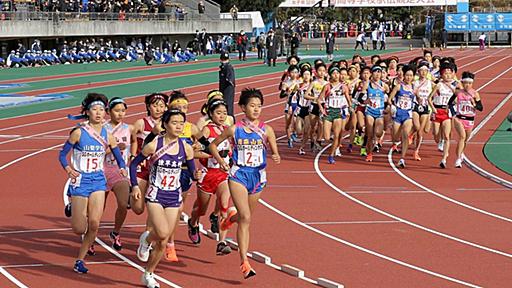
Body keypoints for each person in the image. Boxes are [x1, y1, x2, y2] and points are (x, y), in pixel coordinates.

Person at [209, 88, 280, 279]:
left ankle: (227, 222)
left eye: (259, 106)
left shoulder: (267, 129)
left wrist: (275, 154)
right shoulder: (235, 129)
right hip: (239, 175)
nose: (256, 109)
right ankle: (244, 262)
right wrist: (222, 161)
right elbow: (212, 145)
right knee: (246, 218)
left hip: (258, 177)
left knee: (243, 217)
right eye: (252, 106)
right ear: (243, 107)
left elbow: (273, 145)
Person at [131, 109, 200, 288]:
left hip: (174, 195)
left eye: (181, 123)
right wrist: (135, 186)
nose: (178, 126)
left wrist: (197, 174)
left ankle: (149, 273)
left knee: (164, 239)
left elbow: (192, 172)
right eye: (174, 122)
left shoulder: (186, 147)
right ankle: (146, 240)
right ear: (165, 125)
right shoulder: (154, 145)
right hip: (155, 194)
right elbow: (133, 164)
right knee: (161, 233)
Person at [59, 93, 127, 274]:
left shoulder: (108, 135)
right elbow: (62, 154)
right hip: (81, 180)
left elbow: (119, 158)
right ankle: (72, 203)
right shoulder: (79, 132)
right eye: (94, 110)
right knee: (79, 228)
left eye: (101, 110)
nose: (98, 113)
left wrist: (122, 168)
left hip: (98, 180)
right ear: (87, 112)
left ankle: (79, 260)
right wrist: (68, 169)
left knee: (95, 224)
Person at [188, 99, 233, 255]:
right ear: (211, 114)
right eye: (218, 113)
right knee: (201, 209)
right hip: (207, 175)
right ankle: (193, 223)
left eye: (224, 113)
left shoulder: (228, 130)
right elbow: (192, 153)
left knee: (224, 207)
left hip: (223, 175)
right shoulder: (207, 130)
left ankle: (221, 242)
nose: (221, 116)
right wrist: (212, 154)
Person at [104, 97, 137, 251]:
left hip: (120, 171)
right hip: (103, 170)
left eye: (123, 111)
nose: (120, 114)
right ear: (109, 112)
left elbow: (135, 140)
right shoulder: (102, 129)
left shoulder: (129, 128)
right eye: (117, 111)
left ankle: (115, 232)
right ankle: (90, 236)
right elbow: (97, 152)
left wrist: (133, 155)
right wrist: (114, 148)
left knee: (123, 205)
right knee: (97, 208)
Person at [428, 62, 462, 168]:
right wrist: (433, 109)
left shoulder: (456, 85)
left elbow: (457, 99)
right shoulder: (438, 85)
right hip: (437, 110)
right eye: (445, 73)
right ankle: (440, 141)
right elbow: (429, 98)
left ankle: (444, 159)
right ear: (441, 74)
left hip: (447, 112)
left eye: (449, 73)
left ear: (453, 74)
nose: (447, 75)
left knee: (447, 136)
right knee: (436, 134)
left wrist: (452, 88)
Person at [318, 65, 352, 164]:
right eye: (334, 73)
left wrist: (349, 108)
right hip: (329, 112)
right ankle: (332, 141)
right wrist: (322, 110)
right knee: (327, 137)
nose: (336, 75)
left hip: (338, 112)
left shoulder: (343, 86)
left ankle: (331, 155)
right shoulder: (327, 86)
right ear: (330, 75)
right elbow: (319, 100)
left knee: (337, 136)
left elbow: (348, 99)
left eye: (338, 73)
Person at [449, 71, 483, 168]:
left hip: (470, 120)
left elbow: (481, 108)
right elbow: (450, 102)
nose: (467, 85)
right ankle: (458, 159)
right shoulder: (458, 93)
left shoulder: (475, 94)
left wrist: (475, 104)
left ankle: (461, 153)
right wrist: (454, 112)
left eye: (469, 83)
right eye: (466, 83)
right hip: (459, 118)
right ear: (462, 83)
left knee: (465, 140)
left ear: (472, 83)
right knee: (462, 137)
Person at [389, 65, 416, 168]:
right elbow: (390, 98)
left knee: (405, 134)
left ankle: (402, 158)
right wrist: (392, 107)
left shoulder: (414, 88)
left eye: (411, 75)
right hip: (398, 113)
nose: (409, 77)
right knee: (395, 136)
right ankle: (395, 142)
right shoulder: (398, 86)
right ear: (404, 76)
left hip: (408, 114)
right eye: (407, 75)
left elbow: (419, 98)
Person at [219, 51, 236, 117]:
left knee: (228, 107)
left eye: (225, 59)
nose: (224, 61)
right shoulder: (223, 68)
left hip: (228, 90)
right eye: (223, 59)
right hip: (223, 89)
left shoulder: (228, 68)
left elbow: (230, 80)